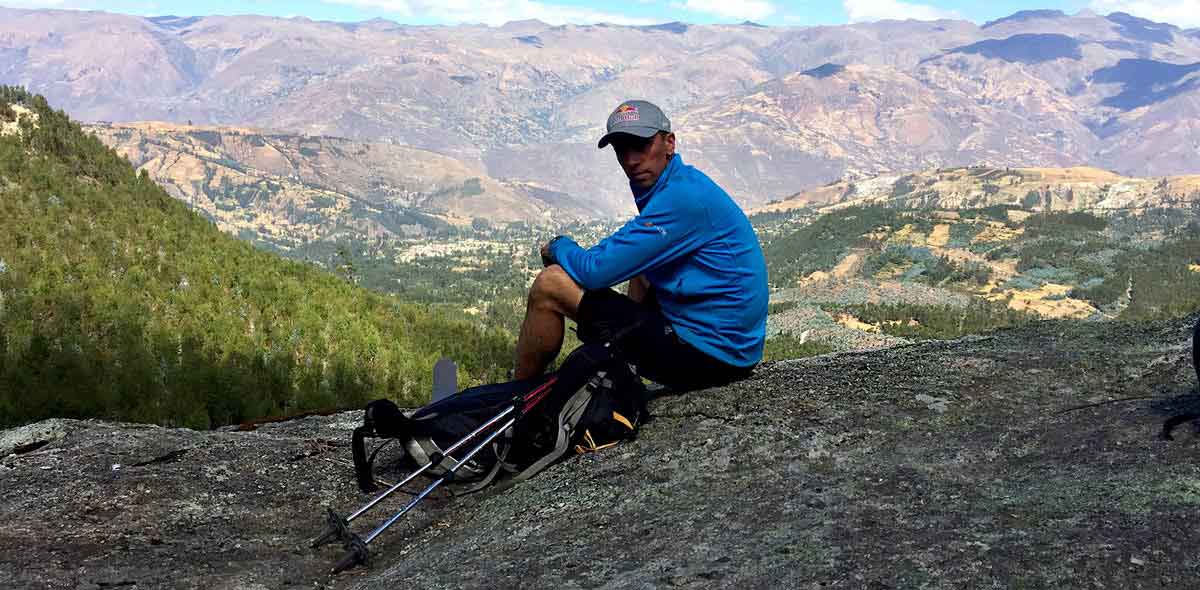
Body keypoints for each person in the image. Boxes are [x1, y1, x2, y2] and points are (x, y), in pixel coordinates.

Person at [513, 100, 768, 391]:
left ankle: (518, 399)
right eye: (622, 150)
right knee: (642, 265)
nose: (631, 160)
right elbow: (628, 255)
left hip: (710, 356)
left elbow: (595, 272)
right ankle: (621, 365)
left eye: (641, 146)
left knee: (550, 285)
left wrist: (557, 246)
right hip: (728, 346)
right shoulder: (681, 183)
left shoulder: (682, 197)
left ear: (669, 143)